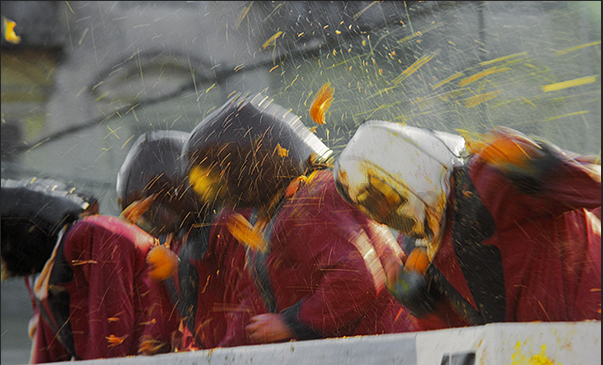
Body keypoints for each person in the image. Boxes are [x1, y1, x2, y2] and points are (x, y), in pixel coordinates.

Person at [182, 94, 420, 346]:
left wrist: (293, 322)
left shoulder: (310, 200)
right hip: (359, 352)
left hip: (381, 350)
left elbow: (355, 279)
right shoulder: (281, 207)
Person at [333, 121, 601, 330]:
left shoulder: (489, 176)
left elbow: (593, 186)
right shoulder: (417, 251)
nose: (382, 216)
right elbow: (461, 344)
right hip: (537, 363)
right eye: (371, 208)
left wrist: (546, 168)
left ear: (405, 169)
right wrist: (423, 307)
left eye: (383, 198)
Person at [1, 178, 189, 363]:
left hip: (160, 361)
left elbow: (111, 334)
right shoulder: (41, 275)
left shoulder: (92, 233)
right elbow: (48, 357)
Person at [116, 130, 227, 349]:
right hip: (214, 352)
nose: (153, 220)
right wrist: (155, 341)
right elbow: (168, 306)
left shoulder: (225, 224)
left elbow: (242, 299)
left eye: (153, 209)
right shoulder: (174, 240)